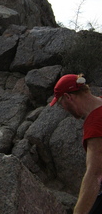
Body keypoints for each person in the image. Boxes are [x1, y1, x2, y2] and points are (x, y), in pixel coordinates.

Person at [50, 74, 102, 214]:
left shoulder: (95, 124)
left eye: (62, 103)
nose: (64, 108)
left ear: (68, 97)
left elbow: (95, 174)